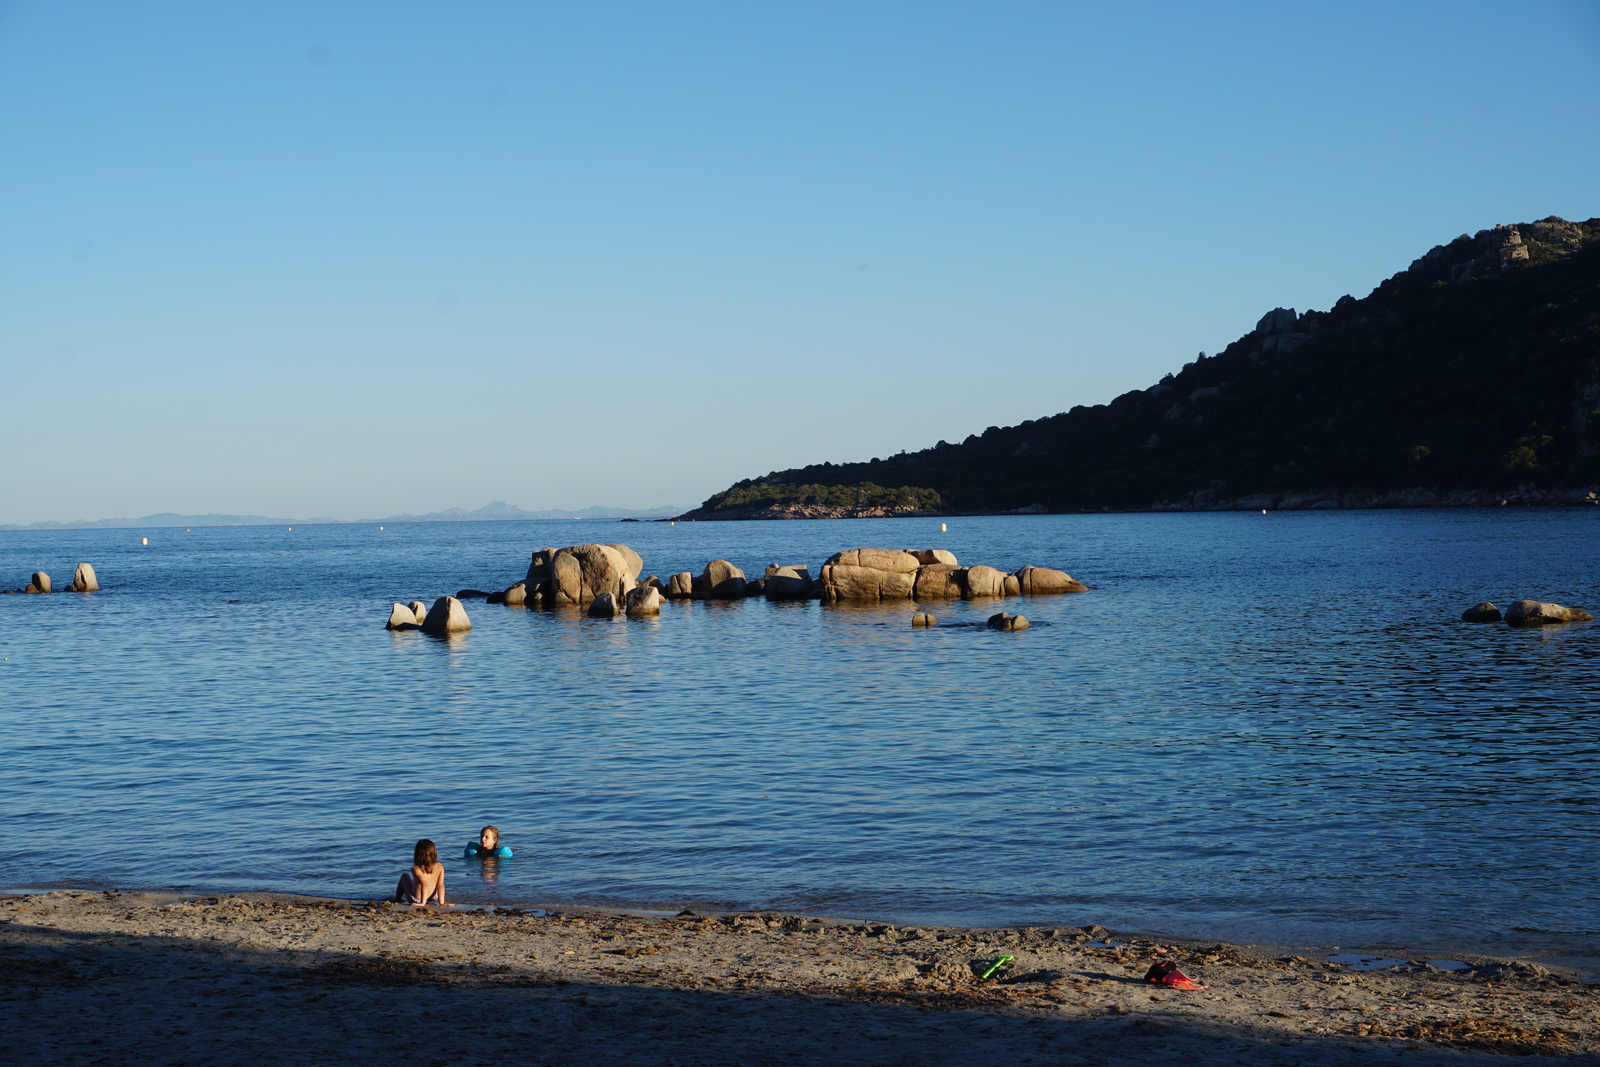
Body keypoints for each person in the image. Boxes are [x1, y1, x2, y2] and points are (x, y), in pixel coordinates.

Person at [394, 839, 450, 906]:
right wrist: (442, 903)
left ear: (417, 854)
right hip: (433, 899)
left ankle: (397, 899)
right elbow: (440, 885)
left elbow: (425, 884)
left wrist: (422, 903)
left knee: (404, 876)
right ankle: (440, 902)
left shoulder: (416, 869)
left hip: (417, 900)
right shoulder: (439, 866)